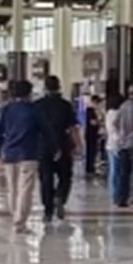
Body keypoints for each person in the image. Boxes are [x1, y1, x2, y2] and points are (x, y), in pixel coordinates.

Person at [0, 80, 52, 234]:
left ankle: (16, 218)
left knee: (12, 189)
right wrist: (55, 147)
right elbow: (46, 130)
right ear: (29, 93)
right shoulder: (35, 110)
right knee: (25, 189)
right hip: (29, 154)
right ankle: (20, 222)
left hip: (10, 154)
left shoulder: (5, 110)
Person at [35, 75, 81, 222]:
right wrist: (79, 145)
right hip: (63, 145)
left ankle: (48, 210)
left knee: (45, 178)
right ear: (59, 87)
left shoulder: (37, 105)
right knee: (65, 176)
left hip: (43, 146)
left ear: (44, 88)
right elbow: (72, 128)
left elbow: (33, 129)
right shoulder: (65, 105)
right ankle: (60, 196)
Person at [103, 93, 124, 203]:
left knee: (113, 170)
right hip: (116, 144)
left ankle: (114, 192)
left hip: (110, 144)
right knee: (117, 170)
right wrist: (119, 140)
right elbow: (114, 130)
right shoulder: (117, 114)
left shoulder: (109, 113)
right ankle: (116, 193)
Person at [83, 95, 103, 179]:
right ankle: (89, 169)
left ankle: (91, 168)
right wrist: (100, 121)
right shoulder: (89, 110)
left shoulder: (95, 111)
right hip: (90, 134)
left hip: (94, 134)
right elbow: (93, 122)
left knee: (93, 151)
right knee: (90, 151)